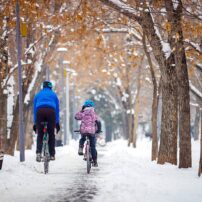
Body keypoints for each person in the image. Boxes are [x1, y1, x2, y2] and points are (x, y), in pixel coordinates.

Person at [33, 81, 60, 162]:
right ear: (50, 87)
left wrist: (35, 123)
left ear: (43, 87)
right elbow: (57, 110)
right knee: (51, 134)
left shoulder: (38, 95)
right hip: (51, 111)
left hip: (40, 111)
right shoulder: (54, 95)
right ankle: (52, 155)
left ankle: (38, 153)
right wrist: (57, 122)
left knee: (40, 134)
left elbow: (34, 110)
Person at [75, 99, 101, 167]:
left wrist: (81, 110)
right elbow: (98, 122)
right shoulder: (93, 113)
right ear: (93, 107)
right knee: (93, 146)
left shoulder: (83, 112)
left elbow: (76, 117)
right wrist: (98, 130)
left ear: (84, 106)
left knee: (82, 138)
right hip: (92, 131)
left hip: (83, 131)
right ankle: (95, 162)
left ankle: (80, 148)